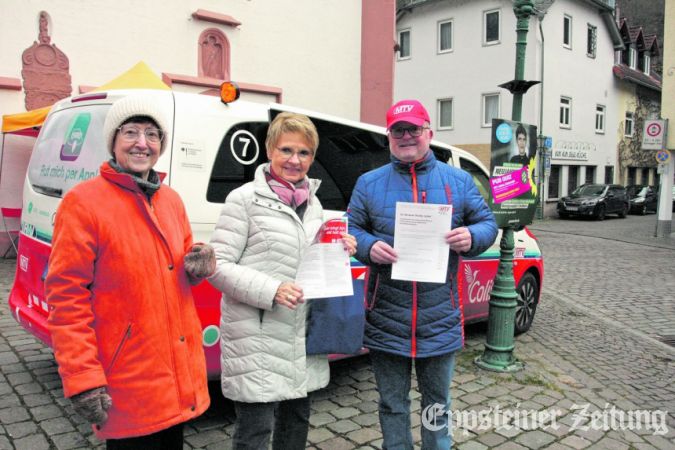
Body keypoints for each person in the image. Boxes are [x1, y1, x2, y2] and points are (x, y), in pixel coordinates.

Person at [45, 94, 214, 449]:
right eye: (131, 132)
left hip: (176, 372)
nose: (142, 143)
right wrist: (82, 377)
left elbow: (177, 265)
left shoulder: (170, 200)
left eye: (152, 134)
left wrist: (197, 262)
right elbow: (66, 297)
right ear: (113, 141)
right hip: (128, 377)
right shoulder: (83, 202)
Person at [348, 99, 498, 449]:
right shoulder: (369, 183)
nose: (406, 137)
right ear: (389, 137)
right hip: (386, 315)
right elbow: (351, 229)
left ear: (428, 132)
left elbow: (487, 223)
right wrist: (368, 247)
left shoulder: (458, 181)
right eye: (398, 130)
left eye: (413, 129)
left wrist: (472, 237)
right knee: (392, 405)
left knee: (437, 406)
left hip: (439, 315)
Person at [208, 112, 357, 450]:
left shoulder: (315, 203)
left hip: (301, 334)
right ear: (269, 150)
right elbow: (217, 266)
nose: (294, 160)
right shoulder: (243, 200)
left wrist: (336, 250)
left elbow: (302, 260)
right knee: (255, 432)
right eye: (286, 150)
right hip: (257, 336)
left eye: (304, 153)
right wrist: (271, 290)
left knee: (296, 425)